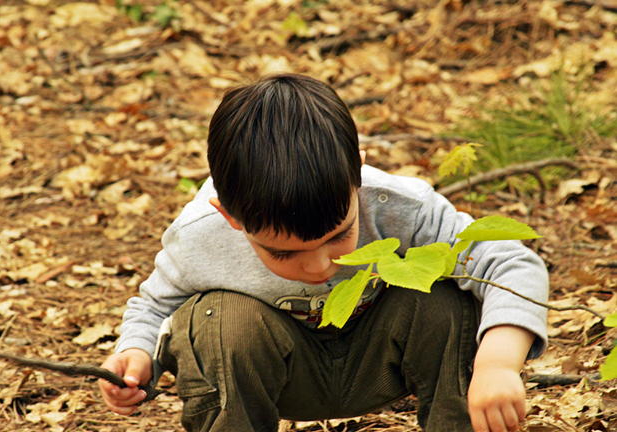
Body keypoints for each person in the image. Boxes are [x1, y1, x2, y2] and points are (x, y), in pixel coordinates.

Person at [98, 74, 549, 432]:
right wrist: (137, 355)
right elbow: (157, 305)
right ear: (231, 218)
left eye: (338, 236)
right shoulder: (202, 234)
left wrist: (496, 365)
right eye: (282, 253)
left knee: (444, 297)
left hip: (380, 360)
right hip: (276, 374)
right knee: (218, 319)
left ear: (358, 174)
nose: (317, 266)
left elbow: (510, 262)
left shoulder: (400, 208)